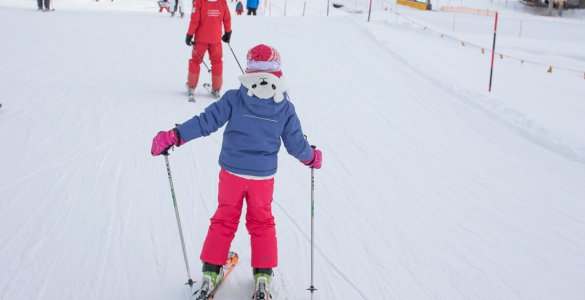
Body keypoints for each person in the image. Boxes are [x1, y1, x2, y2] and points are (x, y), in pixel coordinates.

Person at [151, 44, 323, 299]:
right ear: (278, 73)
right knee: (262, 222)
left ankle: (210, 272)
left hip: (231, 174)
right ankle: (263, 275)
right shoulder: (285, 107)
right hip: (262, 179)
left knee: (224, 218)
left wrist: (175, 136)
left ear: (249, 70)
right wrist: (312, 157)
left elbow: (205, 123)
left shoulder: (234, 97)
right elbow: (296, 144)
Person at [185, 0, 232, 98]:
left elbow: (195, 20)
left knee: (195, 61)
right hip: (215, 39)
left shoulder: (199, 2)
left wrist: (189, 34)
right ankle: (216, 89)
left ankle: (191, 86)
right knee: (217, 62)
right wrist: (228, 32)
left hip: (201, 39)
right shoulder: (222, 2)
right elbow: (227, 18)